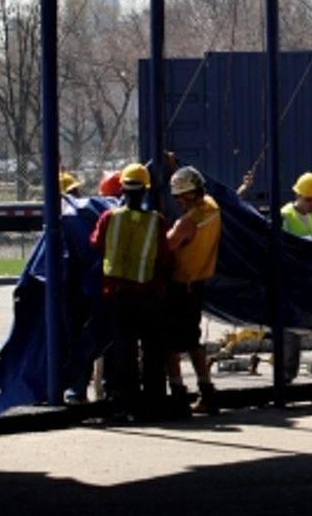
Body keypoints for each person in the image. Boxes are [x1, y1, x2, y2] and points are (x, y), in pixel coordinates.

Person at [89, 162, 169, 420]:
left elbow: (95, 243)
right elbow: (164, 257)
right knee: (153, 351)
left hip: (118, 295)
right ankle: (155, 403)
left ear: (122, 189)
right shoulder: (157, 221)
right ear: (145, 190)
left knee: (125, 352)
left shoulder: (109, 218)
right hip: (148, 294)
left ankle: (129, 404)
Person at [164, 166, 221, 414]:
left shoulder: (186, 223)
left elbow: (165, 245)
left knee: (169, 344)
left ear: (188, 194)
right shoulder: (212, 208)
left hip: (180, 286)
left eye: (180, 196)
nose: (178, 201)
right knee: (193, 342)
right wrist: (174, 167)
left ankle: (178, 395)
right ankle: (207, 392)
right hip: (197, 285)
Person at [276, 171, 312, 383]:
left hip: (307, 278)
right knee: (289, 328)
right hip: (291, 279)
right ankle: (286, 374)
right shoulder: (285, 215)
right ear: (298, 196)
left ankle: (290, 372)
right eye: (309, 199)